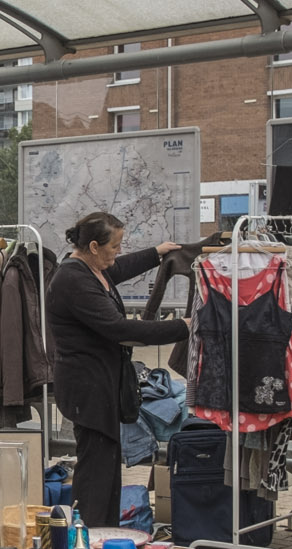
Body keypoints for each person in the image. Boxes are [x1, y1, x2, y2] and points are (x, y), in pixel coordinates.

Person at [46, 212, 190, 532]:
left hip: (100, 388)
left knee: (107, 467)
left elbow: (120, 269)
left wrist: (157, 253)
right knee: (96, 470)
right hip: (87, 390)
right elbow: (118, 328)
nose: (118, 252)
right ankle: (88, 537)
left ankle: (100, 531)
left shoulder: (93, 269)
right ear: (94, 246)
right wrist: (182, 327)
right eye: (115, 246)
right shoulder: (73, 280)